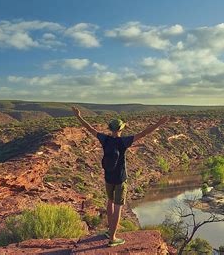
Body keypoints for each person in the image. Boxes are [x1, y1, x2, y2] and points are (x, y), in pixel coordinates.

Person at [71, 106, 169, 247]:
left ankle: (109, 231)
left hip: (108, 177)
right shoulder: (124, 141)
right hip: (120, 178)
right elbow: (144, 133)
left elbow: (90, 128)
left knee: (110, 202)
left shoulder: (104, 139)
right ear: (121, 129)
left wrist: (78, 116)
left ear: (110, 128)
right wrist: (159, 123)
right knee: (118, 207)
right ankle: (113, 238)